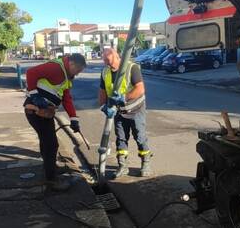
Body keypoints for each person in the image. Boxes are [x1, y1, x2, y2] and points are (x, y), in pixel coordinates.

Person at [24, 53, 86, 191]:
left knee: (48, 142)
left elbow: (67, 98)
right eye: (78, 70)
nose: (79, 73)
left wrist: (73, 119)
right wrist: (35, 95)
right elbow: (31, 73)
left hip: (46, 112)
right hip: (36, 110)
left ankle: (50, 169)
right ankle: (51, 180)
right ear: (71, 64)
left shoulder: (66, 76)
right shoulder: (56, 68)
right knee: (51, 144)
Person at [99, 47, 152, 178]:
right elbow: (102, 91)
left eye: (110, 61)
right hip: (119, 111)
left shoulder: (131, 68)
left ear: (117, 57)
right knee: (121, 138)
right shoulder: (105, 71)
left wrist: (124, 97)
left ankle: (146, 163)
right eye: (106, 62)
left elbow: (140, 89)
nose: (108, 64)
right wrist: (104, 106)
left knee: (140, 136)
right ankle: (122, 166)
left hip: (135, 109)